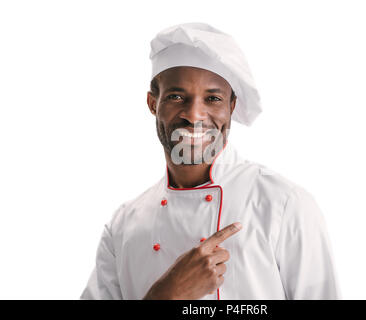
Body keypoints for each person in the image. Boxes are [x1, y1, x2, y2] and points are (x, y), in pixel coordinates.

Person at [80, 22, 341, 300]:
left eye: (213, 98)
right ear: (153, 103)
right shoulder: (124, 226)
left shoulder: (284, 205)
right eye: (176, 96)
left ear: (231, 107)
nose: (194, 115)